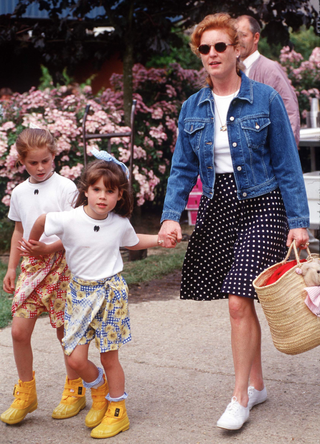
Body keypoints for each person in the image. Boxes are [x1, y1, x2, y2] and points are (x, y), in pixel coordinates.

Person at [158, 13, 309, 431]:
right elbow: (182, 168)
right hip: (219, 206)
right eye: (204, 48)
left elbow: (287, 164)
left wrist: (298, 220)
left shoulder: (264, 99)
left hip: (263, 205)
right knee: (242, 300)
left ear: (237, 49)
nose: (212, 54)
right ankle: (257, 384)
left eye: (220, 46)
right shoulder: (192, 106)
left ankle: (239, 397)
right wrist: (171, 217)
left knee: (238, 300)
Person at [29, 149, 173, 439]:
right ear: (86, 190)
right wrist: (36, 246)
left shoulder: (119, 223)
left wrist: (160, 240)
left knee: (109, 358)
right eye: (96, 189)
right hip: (79, 294)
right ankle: (99, 390)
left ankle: (117, 411)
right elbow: (43, 220)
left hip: (110, 294)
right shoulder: (69, 219)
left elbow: (132, 242)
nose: (102, 196)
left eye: (110, 191)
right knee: (75, 359)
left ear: (120, 195)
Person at [1, 127, 84, 425]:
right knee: (18, 332)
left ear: (54, 156)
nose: (39, 168)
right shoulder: (20, 192)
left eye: (45, 161)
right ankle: (26, 392)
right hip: (31, 268)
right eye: (32, 163)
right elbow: (19, 230)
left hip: (62, 266)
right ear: (22, 161)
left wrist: (48, 248)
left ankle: (74, 389)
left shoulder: (66, 188)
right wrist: (11, 268)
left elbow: (76, 230)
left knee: (65, 333)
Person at [235, 15, 300, 146]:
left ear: (256, 38)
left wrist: (284, 155)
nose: (239, 41)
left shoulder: (269, 69)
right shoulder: (232, 71)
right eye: (235, 36)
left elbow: (290, 112)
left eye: (243, 35)